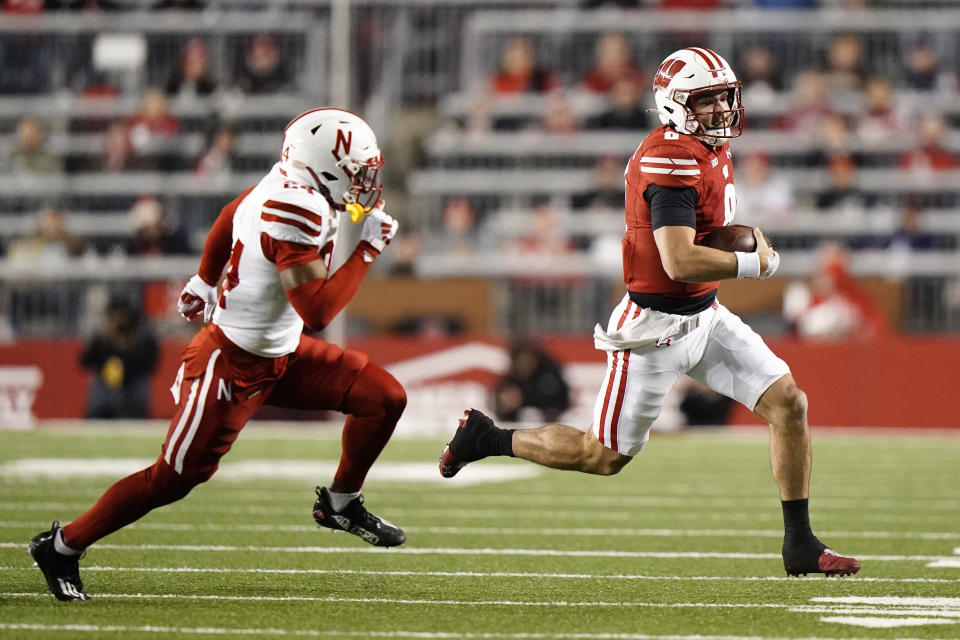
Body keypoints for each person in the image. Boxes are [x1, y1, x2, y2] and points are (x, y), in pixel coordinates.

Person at [439, 47, 860, 579]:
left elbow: (701, 236)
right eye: (707, 100)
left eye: (723, 97)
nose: (721, 110)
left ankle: (799, 544)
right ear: (675, 105)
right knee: (602, 457)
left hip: (704, 315)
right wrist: (754, 263)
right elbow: (679, 259)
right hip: (652, 329)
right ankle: (488, 437)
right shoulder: (670, 157)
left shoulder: (709, 149)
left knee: (789, 404)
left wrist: (740, 241)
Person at [28, 108, 408, 602]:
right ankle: (61, 546)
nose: (363, 183)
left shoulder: (292, 184)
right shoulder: (300, 208)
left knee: (384, 397)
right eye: (356, 171)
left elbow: (234, 210)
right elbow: (316, 309)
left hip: (282, 355)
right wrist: (367, 251)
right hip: (230, 362)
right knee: (172, 478)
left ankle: (340, 502)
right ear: (326, 167)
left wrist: (204, 278)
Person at [79, 295, 159, 419]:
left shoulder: (142, 336)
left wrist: (129, 350)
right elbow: (85, 361)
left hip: (134, 381)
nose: (119, 320)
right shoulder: (102, 336)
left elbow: (151, 364)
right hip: (106, 382)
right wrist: (107, 344)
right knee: (100, 391)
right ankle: (96, 418)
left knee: (140, 388)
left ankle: (137, 418)